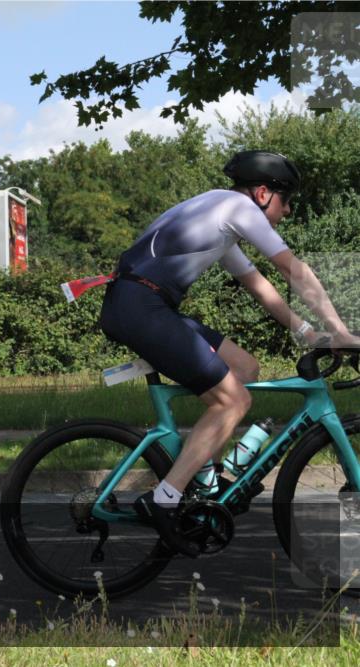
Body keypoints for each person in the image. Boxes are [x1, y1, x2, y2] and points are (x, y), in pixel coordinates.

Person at [99, 150, 360, 557]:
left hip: (145, 304)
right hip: (140, 307)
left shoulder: (219, 215)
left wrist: (311, 333)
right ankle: (165, 498)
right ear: (261, 193)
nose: (287, 210)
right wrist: (343, 332)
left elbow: (262, 289)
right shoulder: (238, 207)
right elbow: (295, 271)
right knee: (233, 400)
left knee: (245, 367)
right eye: (285, 199)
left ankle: (207, 479)